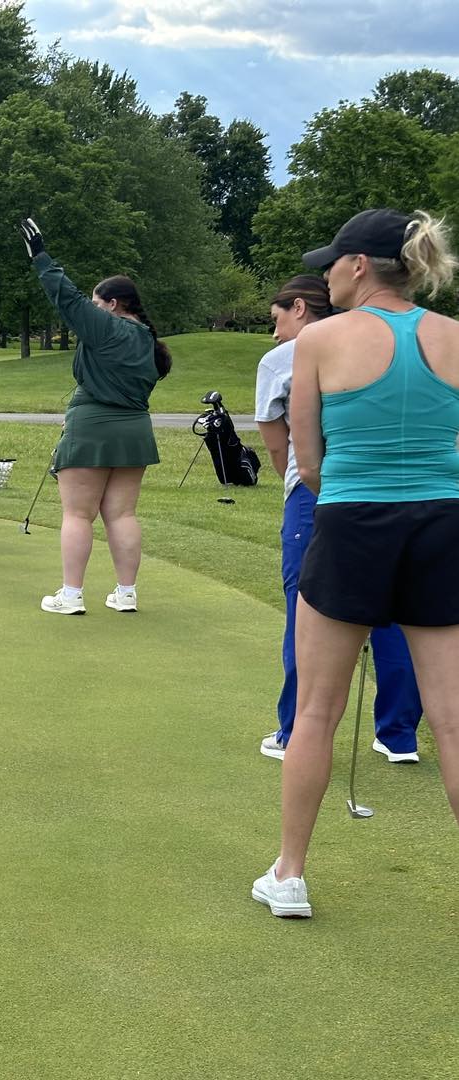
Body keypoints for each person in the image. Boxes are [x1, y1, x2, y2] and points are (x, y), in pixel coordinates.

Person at [253, 208, 459, 920]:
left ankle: (290, 875)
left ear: (359, 266)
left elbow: (307, 462)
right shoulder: (454, 335)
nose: (327, 277)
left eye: (333, 264)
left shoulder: (318, 339)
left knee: (316, 709)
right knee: (452, 718)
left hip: (351, 522)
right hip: (442, 523)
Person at [255, 275, 423, 765]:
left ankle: (293, 731)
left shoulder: (284, 358)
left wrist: (298, 483)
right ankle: (399, 736)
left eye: (277, 318)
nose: (275, 332)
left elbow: (277, 445)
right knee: (396, 612)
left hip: (319, 494)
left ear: (299, 307)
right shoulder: (392, 344)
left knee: (309, 615)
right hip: (397, 497)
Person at [19, 218, 170, 615]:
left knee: (78, 513)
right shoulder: (148, 340)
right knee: (122, 514)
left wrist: (41, 258)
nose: (94, 309)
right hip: (134, 431)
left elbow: (67, 299)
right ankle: (126, 593)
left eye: (98, 303)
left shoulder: (107, 327)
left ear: (113, 304)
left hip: (93, 427)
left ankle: (71, 595)